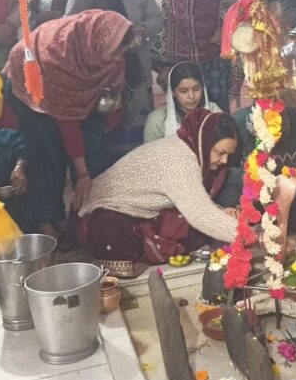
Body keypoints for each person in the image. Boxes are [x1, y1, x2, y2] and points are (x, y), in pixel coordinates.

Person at [3, 10, 140, 237]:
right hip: (33, 81)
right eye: (115, 52)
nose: (117, 59)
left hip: (73, 93)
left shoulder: (104, 48)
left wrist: (112, 108)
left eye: (121, 53)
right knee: (47, 152)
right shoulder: (60, 56)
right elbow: (68, 123)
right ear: (100, 42)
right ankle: (47, 221)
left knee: (93, 152)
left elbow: (109, 103)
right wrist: (82, 172)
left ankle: (83, 221)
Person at [77, 110, 241, 277]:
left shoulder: (192, 149)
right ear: (204, 143)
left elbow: (195, 199)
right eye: (220, 153)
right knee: (118, 244)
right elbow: (199, 214)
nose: (225, 160)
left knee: (191, 231)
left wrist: (219, 211)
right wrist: (248, 236)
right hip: (104, 209)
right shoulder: (179, 159)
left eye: (229, 154)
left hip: (143, 213)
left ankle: (149, 243)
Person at [66, 0, 164, 128]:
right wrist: (106, 39)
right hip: (101, 73)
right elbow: (69, 31)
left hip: (136, 68)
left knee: (141, 124)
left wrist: (142, 29)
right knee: (107, 125)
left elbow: (157, 18)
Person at [152, 0, 238, 113]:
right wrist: (163, 65)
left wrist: (225, 28)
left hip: (214, 57)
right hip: (181, 61)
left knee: (217, 111)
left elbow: (233, 12)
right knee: (186, 111)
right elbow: (165, 22)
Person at [218, 104, 296, 234]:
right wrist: (258, 186)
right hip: (255, 199)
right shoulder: (237, 124)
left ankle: (275, 226)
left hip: (294, 198)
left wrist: (287, 193)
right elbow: (225, 173)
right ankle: (264, 226)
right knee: (228, 197)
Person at [144, 62, 222, 144]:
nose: (191, 96)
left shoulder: (214, 111)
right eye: (184, 91)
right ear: (173, 92)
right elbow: (150, 151)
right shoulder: (157, 121)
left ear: (203, 88)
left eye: (196, 89)